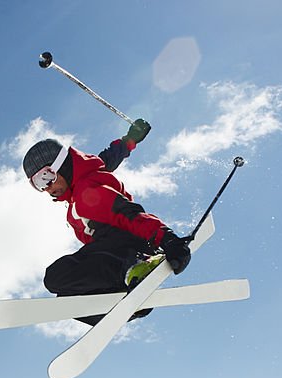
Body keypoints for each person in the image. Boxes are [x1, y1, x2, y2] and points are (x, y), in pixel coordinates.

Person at [22, 119, 191, 325]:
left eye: (46, 177)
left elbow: (128, 214)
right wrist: (129, 140)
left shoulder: (87, 193)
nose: (46, 188)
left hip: (126, 248)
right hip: (110, 253)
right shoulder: (83, 185)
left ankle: (135, 268)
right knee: (67, 301)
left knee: (56, 276)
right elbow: (105, 160)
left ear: (62, 166)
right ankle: (129, 303)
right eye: (38, 184)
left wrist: (169, 239)